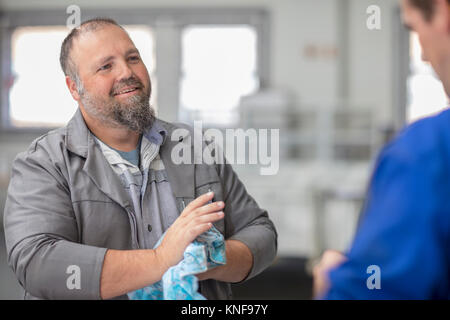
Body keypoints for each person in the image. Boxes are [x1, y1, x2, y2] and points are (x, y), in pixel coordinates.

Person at [3, 18, 277, 300]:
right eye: (105, 66)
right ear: (74, 88)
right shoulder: (43, 163)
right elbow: (37, 264)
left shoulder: (194, 148)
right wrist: (160, 260)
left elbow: (261, 233)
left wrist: (208, 260)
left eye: (133, 58)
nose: (127, 72)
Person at [313, 0, 450, 300]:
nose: (425, 56)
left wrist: (332, 284)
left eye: (415, 29)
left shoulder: (427, 154)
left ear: (442, 12)